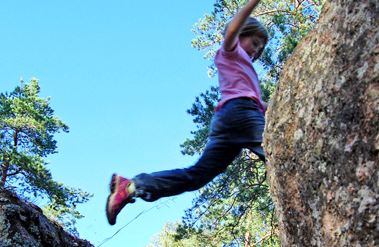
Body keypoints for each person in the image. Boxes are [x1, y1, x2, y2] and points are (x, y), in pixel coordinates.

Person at [106, 0, 268, 226]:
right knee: (277, 150)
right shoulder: (230, 52)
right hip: (239, 112)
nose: (256, 50)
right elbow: (232, 29)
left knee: (197, 176)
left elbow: (261, 105)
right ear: (243, 34)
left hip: (228, 121)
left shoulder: (245, 71)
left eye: (260, 48)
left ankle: (131, 187)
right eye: (255, 42)